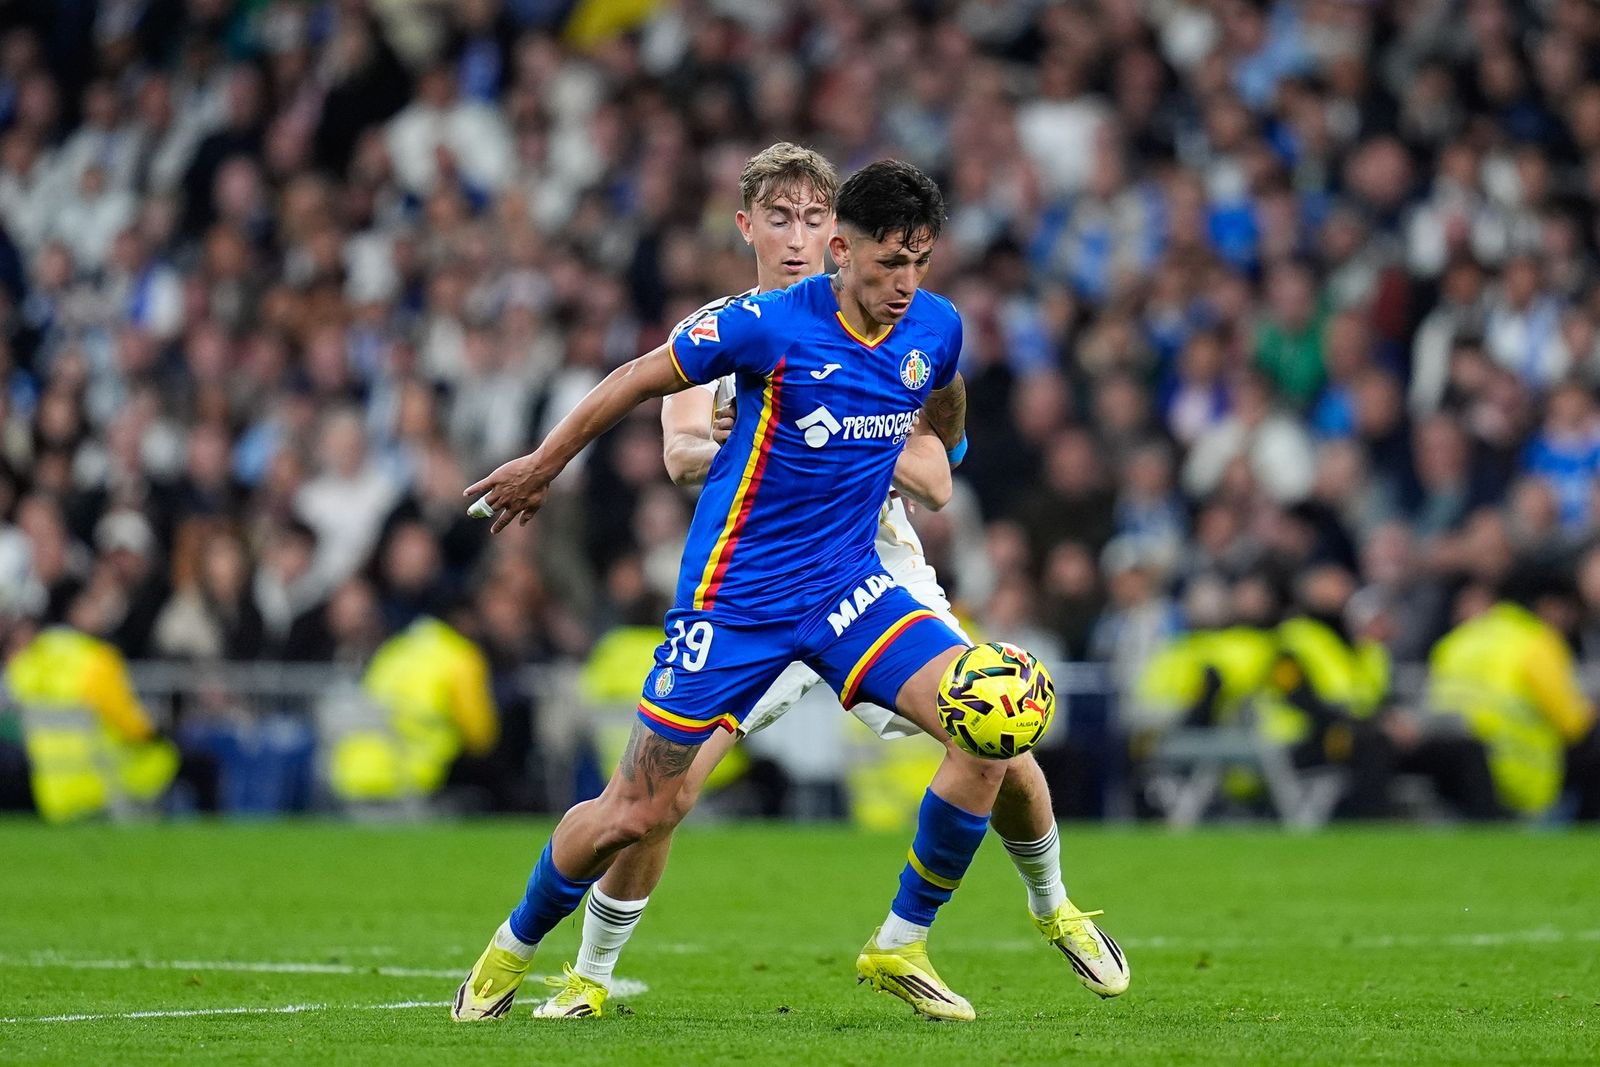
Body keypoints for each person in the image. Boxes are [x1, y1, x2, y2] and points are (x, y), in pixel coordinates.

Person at [452, 159, 1125, 1025]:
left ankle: (907, 940)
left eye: (918, 263)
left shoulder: (934, 325)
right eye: (889, 265)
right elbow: (638, 387)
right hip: (738, 603)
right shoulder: (754, 327)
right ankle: (514, 951)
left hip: (854, 585)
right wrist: (543, 465)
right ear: (822, 247)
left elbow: (944, 390)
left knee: (993, 719)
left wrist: (947, 452)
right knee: (643, 806)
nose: (904, 284)